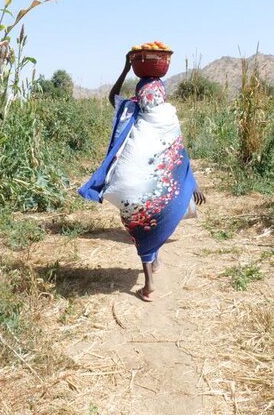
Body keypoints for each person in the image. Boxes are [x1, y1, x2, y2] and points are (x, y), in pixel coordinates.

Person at [79, 51, 206, 302]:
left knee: (141, 222)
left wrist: (126, 68)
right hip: (157, 190)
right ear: (162, 96)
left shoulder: (131, 111)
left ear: (139, 96)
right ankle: (152, 268)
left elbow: (111, 97)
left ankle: (149, 284)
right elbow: (179, 155)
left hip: (135, 191)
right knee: (154, 217)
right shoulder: (167, 116)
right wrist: (192, 182)